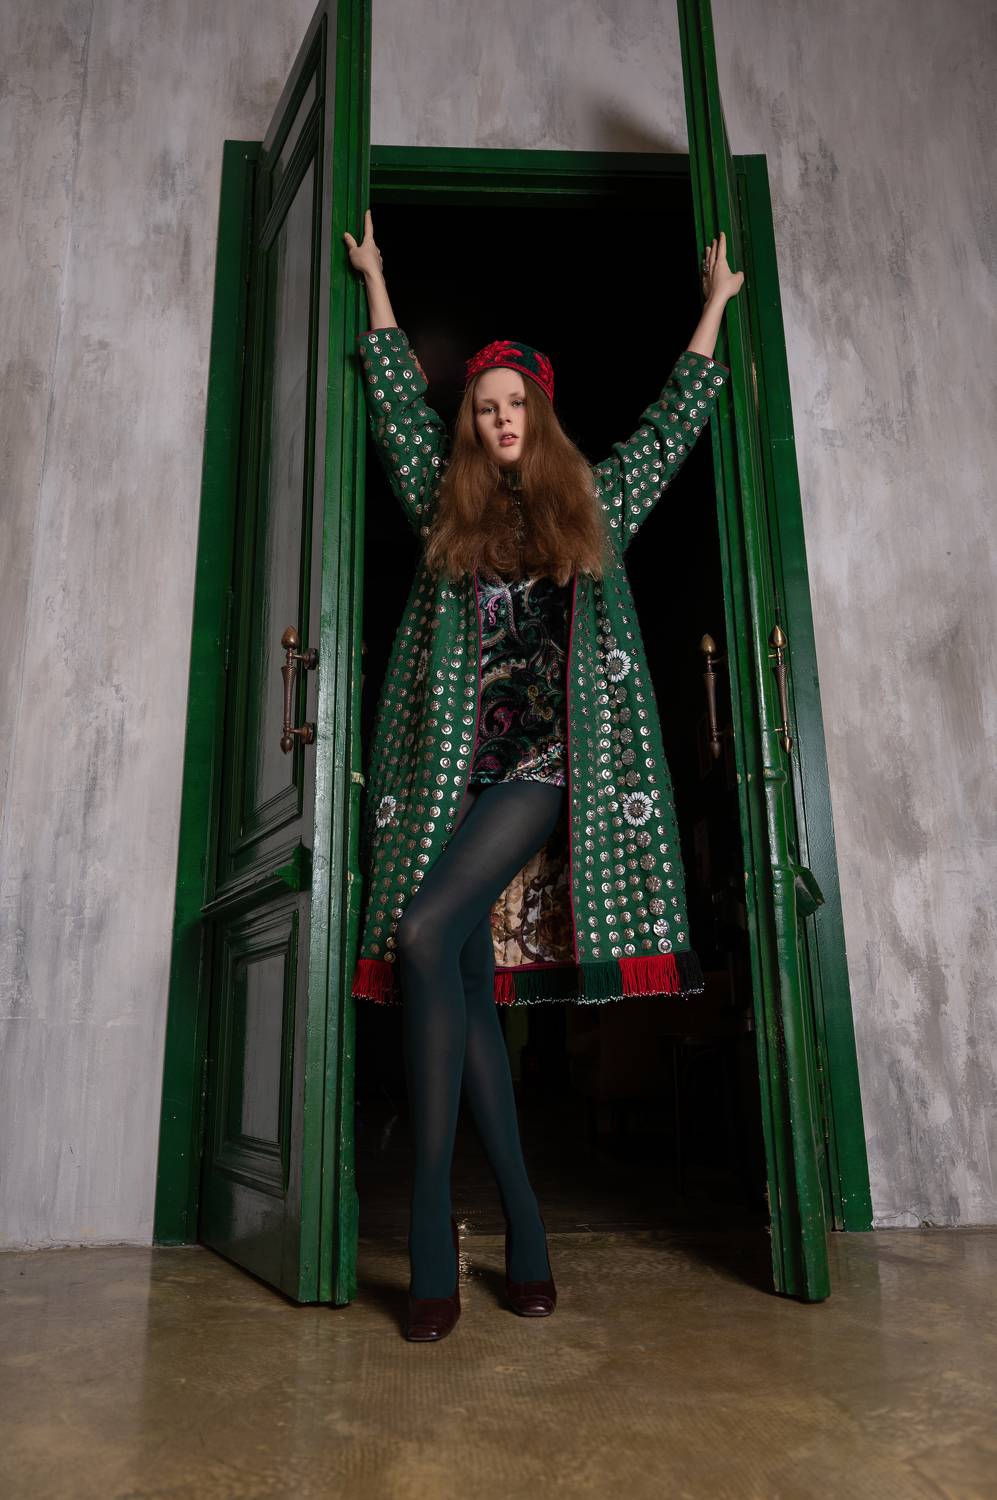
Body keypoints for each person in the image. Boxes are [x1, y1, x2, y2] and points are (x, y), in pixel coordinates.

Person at [343, 209, 743, 1341]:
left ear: (541, 413)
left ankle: (431, 1224)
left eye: (515, 403)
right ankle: (523, 1224)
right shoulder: (445, 504)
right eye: (484, 407)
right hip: (445, 780)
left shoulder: (592, 505)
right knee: (459, 979)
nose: (500, 419)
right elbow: (393, 406)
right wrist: (376, 283)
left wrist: (714, 306)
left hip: (542, 770)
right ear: (471, 426)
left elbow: (671, 427)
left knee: (423, 934)